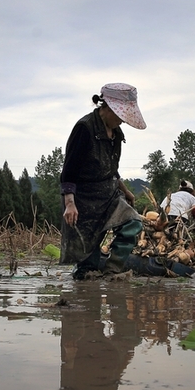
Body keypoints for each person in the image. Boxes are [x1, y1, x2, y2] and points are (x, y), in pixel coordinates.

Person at [60, 83, 146, 279]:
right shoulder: (85, 128)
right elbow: (69, 170)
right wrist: (70, 204)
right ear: (107, 107)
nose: (123, 121)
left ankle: (112, 270)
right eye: (120, 116)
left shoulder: (116, 135)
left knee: (132, 223)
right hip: (83, 198)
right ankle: (86, 285)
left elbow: (111, 170)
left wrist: (126, 191)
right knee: (87, 252)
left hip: (108, 195)